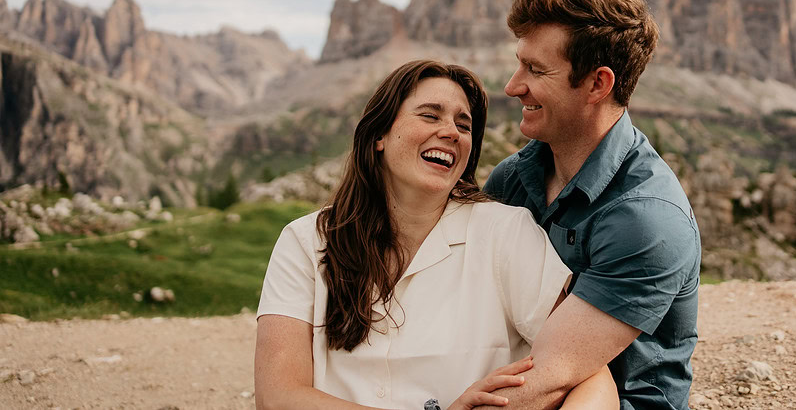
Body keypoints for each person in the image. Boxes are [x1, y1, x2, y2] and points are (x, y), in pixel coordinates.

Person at [254, 59, 617, 409]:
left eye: (464, 125)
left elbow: (587, 373)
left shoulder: (505, 233)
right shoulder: (305, 241)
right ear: (379, 134)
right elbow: (278, 396)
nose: (451, 132)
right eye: (430, 115)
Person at [484, 0, 701, 409]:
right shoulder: (512, 179)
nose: (512, 86)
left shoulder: (646, 219)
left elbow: (545, 379)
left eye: (536, 70)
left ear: (598, 85)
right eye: (518, 63)